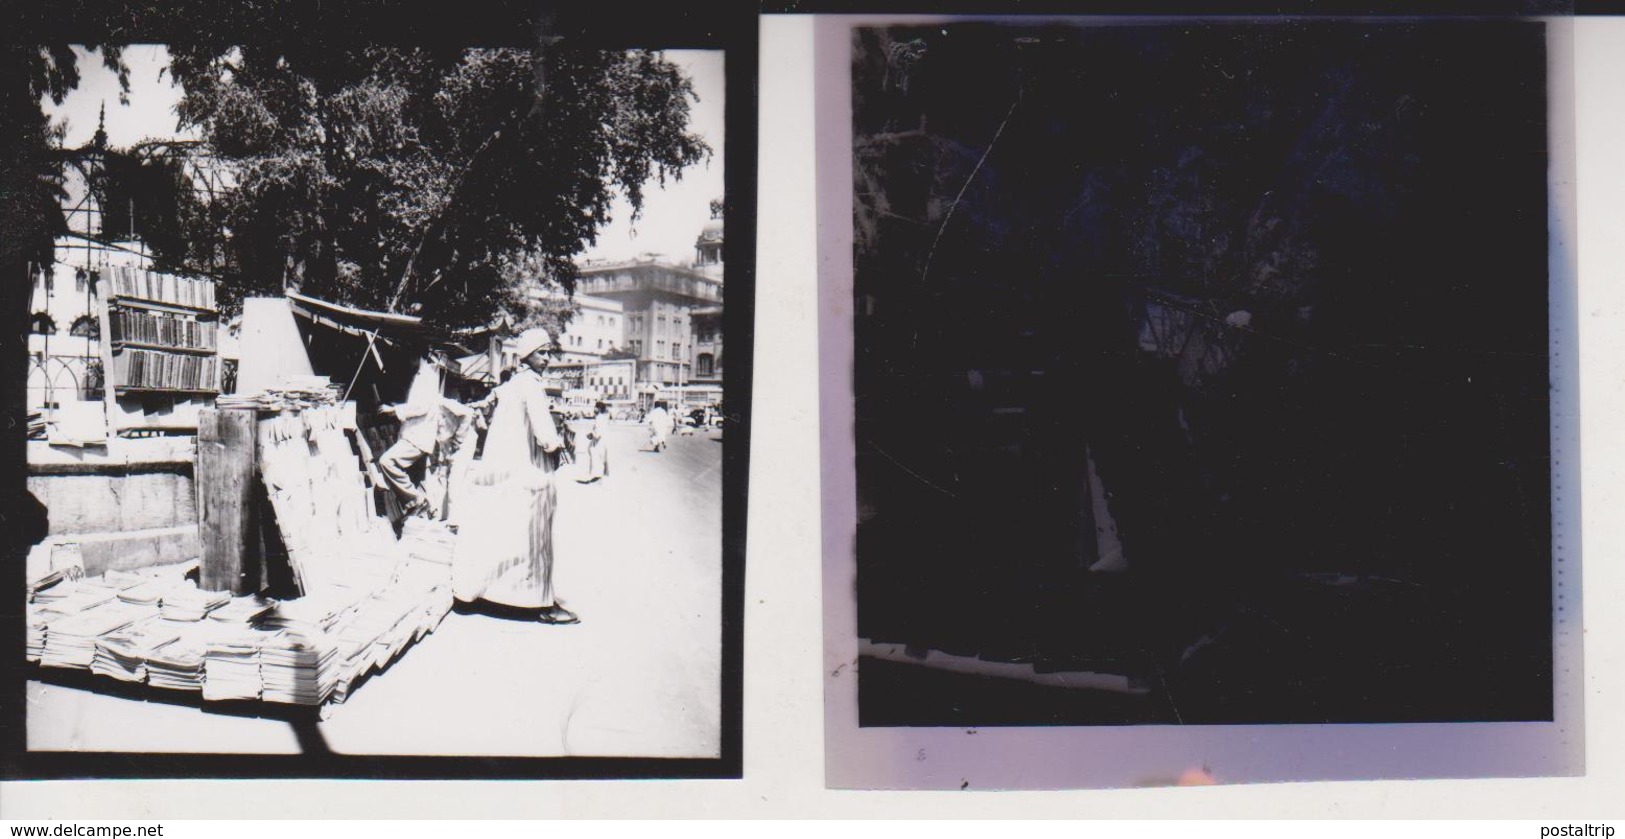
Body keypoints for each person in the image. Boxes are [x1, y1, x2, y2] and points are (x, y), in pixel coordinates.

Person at [451, 327, 578, 625]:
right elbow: (544, 430)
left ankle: (479, 593)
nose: (546, 358)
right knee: (535, 539)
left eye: (548, 353)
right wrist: (555, 446)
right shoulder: (531, 385)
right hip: (531, 472)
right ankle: (541, 605)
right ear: (527, 355)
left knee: (502, 536)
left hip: (507, 472)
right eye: (541, 353)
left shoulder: (510, 385)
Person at [378, 352, 450, 518]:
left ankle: (416, 500)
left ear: (418, 356)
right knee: (417, 478)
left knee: (387, 461)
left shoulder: (427, 376)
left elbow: (421, 407)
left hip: (417, 436)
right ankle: (426, 511)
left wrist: (395, 409)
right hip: (417, 435)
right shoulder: (424, 374)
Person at [580, 401, 610, 484]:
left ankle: (595, 478)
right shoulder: (601, 418)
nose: (594, 409)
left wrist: (591, 435)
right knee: (599, 460)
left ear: (599, 409)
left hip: (599, 443)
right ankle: (597, 477)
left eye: (595, 407)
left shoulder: (599, 419)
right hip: (600, 442)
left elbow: (598, 434)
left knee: (597, 459)